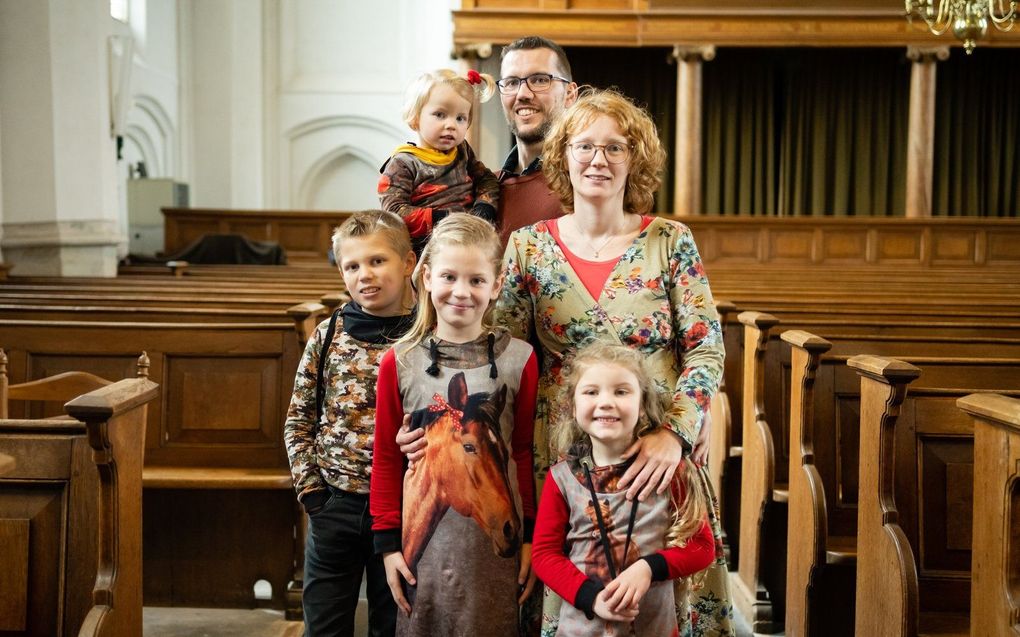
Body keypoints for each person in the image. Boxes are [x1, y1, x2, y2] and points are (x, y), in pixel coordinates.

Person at [497, 88, 733, 635]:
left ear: (636, 160)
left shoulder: (670, 241)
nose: (598, 160)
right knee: (576, 596)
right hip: (565, 448)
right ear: (562, 157)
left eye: (615, 148)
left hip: (655, 443)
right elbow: (502, 356)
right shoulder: (528, 247)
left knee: (664, 600)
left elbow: (706, 346)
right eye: (584, 147)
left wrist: (677, 432)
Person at [369, 214, 539, 636]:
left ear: (496, 285)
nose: (461, 292)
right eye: (449, 276)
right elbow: (387, 458)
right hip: (422, 552)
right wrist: (388, 547)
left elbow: (522, 452)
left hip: (495, 545)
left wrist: (532, 537)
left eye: (477, 280)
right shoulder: (399, 362)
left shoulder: (521, 359)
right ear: (426, 277)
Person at [283, 210, 417, 637]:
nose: (365, 275)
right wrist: (313, 495)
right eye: (352, 266)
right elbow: (298, 418)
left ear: (409, 263)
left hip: (401, 512)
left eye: (378, 261)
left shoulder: (425, 337)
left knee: (392, 624)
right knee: (324, 627)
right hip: (334, 504)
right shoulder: (329, 333)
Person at [532, 343, 716, 636]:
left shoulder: (669, 470)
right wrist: (590, 597)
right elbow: (545, 555)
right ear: (573, 405)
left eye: (621, 391)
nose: (605, 402)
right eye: (591, 392)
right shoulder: (563, 477)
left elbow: (703, 547)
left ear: (642, 404)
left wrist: (648, 568)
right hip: (581, 627)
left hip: (652, 626)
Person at [378, 68, 500, 255]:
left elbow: (487, 180)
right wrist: (445, 218)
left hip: (470, 241)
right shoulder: (403, 163)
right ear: (415, 119)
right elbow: (393, 211)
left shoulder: (462, 150)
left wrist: (485, 206)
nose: (451, 125)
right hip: (426, 249)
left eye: (460, 118)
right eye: (440, 115)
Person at [494, 36, 578, 243]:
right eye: (512, 82)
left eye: (540, 80)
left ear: (570, 94)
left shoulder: (586, 181)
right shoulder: (484, 186)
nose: (523, 94)